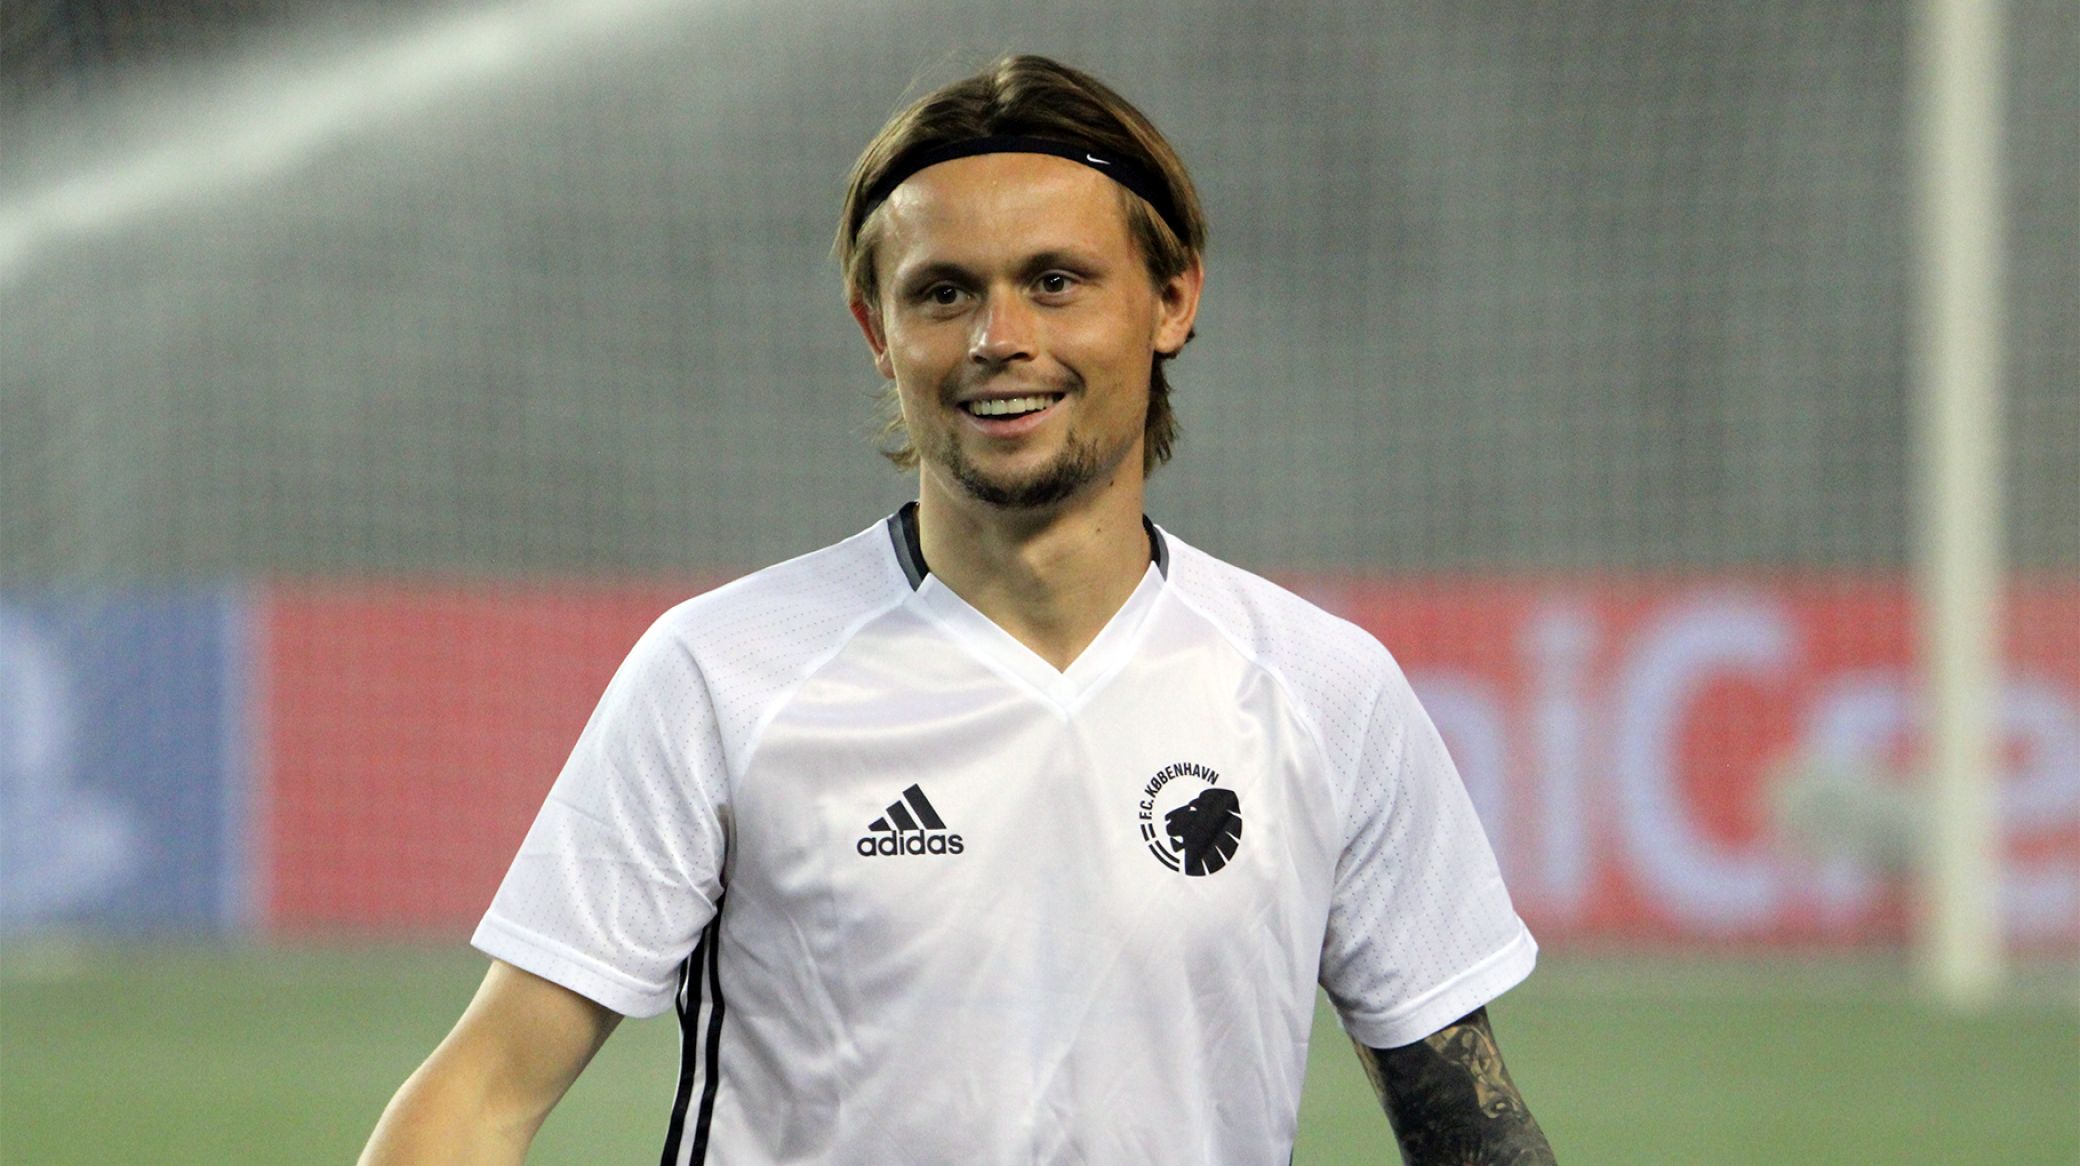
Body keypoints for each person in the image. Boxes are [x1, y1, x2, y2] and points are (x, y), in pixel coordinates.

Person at [361, 53, 1555, 1165]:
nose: (999, 339)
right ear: (876, 331)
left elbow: (1471, 1127)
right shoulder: (723, 673)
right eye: (943, 292)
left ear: (1172, 297)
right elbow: (481, 1092)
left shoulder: (1326, 690)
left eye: (1055, 281)